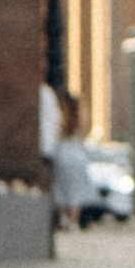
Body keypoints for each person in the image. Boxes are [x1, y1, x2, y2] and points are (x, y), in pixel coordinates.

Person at [48, 92, 96, 236]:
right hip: (77, 155)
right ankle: (74, 221)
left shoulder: (60, 118)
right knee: (75, 190)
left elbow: (55, 135)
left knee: (60, 187)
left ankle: (63, 218)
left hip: (62, 153)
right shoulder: (80, 119)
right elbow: (84, 135)